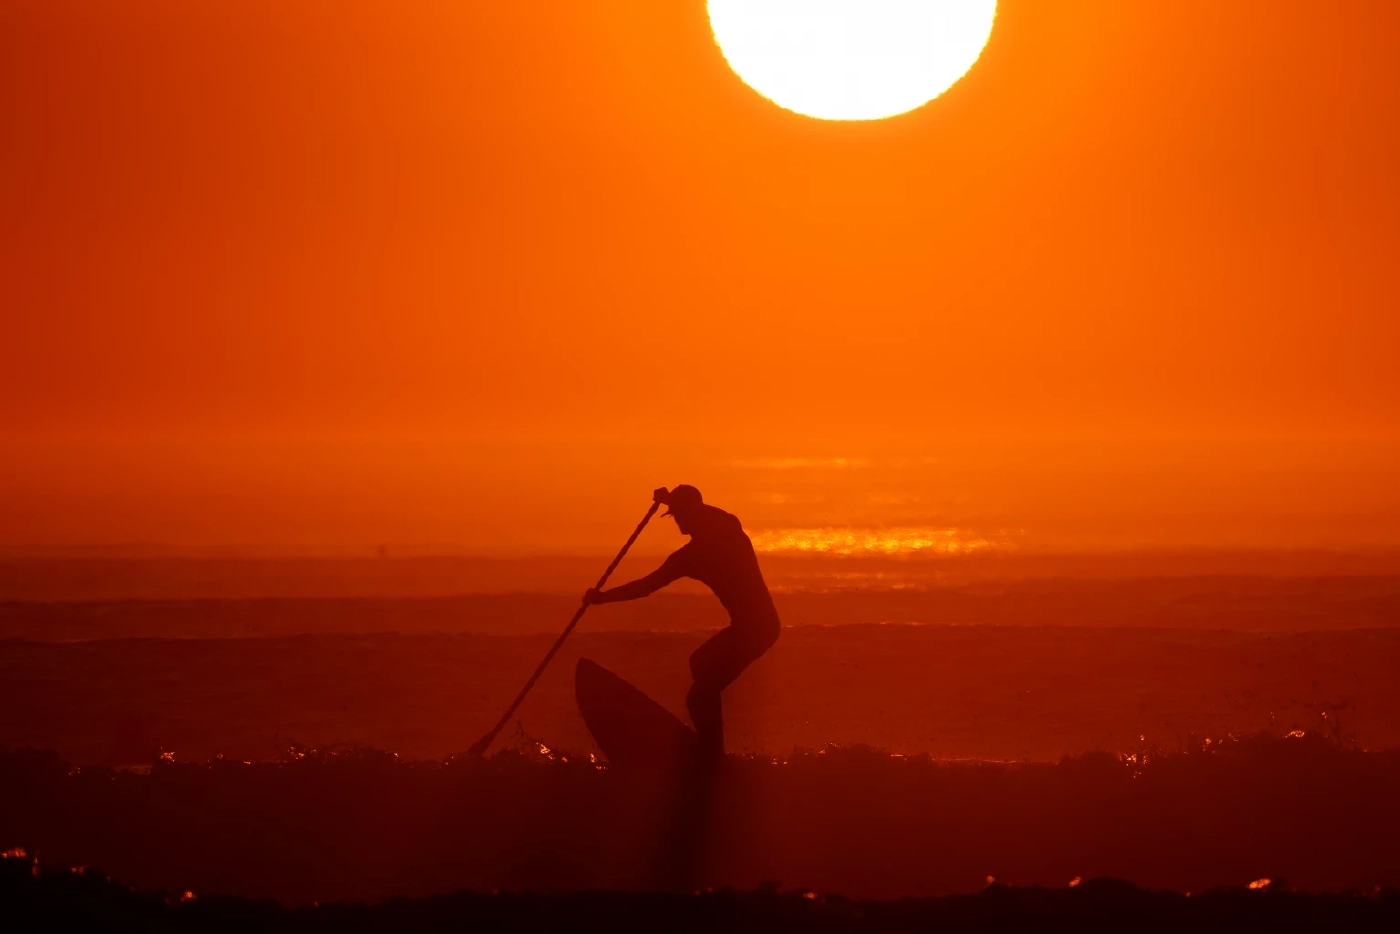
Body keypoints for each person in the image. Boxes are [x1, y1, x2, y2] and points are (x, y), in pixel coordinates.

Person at [584, 485, 780, 763]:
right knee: (699, 663)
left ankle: (714, 757)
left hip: (760, 627)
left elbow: (712, 518)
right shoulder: (689, 555)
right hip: (750, 627)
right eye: (674, 515)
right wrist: (602, 599)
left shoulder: (727, 532)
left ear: (696, 512)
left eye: (680, 514)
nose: (677, 520)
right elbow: (647, 586)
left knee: (699, 695)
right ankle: (713, 745)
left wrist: (601, 598)